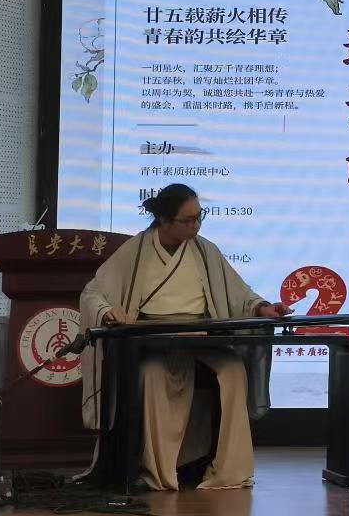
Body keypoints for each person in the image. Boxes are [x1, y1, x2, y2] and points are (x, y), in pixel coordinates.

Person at [78, 184, 288, 490]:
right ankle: (157, 472)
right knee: (152, 374)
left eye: (200, 217)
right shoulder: (135, 251)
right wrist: (108, 311)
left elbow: (240, 294)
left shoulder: (205, 250)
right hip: (152, 340)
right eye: (188, 220)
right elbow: (92, 292)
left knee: (232, 370)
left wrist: (262, 307)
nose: (196, 225)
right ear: (164, 220)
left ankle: (227, 469)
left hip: (202, 336)